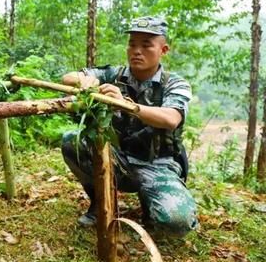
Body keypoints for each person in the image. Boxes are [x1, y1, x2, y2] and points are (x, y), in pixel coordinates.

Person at [60, 16, 198, 237]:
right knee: (72, 141)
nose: (137, 51)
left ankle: (151, 207)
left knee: (177, 222)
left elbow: (171, 118)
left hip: (157, 166)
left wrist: (127, 105)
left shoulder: (175, 84)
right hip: (118, 160)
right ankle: (102, 202)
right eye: (132, 44)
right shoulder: (115, 75)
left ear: (163, 50)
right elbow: (68, 77)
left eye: (146, 45)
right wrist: (85, 81)